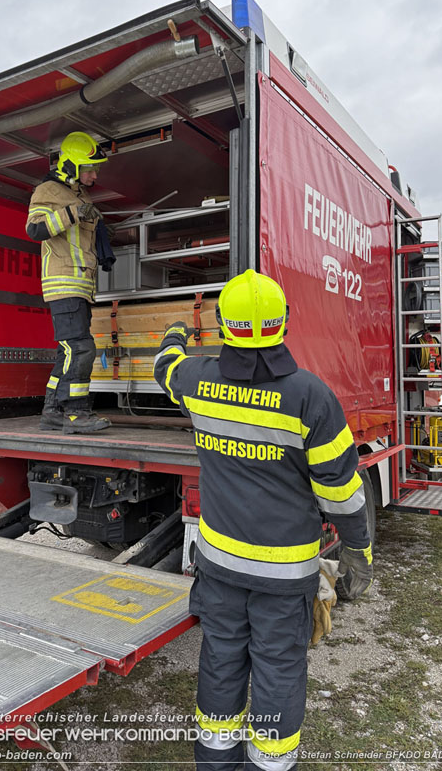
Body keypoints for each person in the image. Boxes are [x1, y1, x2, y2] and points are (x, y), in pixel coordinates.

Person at [153, 270, 373, 771]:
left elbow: (165, 368)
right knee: (278, 669)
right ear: (284, 323)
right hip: (284, 576)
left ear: (223, 327)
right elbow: (341, 492)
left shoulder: (197, 380)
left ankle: (215, 762)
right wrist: (358, 548)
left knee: (221, 661)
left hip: (220, 569)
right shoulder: (311, 397)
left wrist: (175, 334)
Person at [26, 131, 115, 434]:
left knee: (68, 351)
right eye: (90, 168)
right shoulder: (48, 190)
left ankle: (52, 413)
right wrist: (73, 213)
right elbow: (35, 229)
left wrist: (100, 231)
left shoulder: (82, 197)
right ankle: (76, 414)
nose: (95, 174)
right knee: (81, 348)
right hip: (63, 283)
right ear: (72, 166)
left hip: (80, 286)